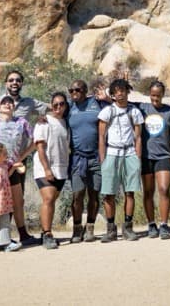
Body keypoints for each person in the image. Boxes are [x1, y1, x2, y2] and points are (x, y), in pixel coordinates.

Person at [97, 78, 144, 242]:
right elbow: (101, 137)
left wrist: (137, 158)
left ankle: (128, 227)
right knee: (108, 193)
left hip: (129, 152)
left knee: (129, 192)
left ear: (127, 91)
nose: (120, 94)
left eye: (122, 90)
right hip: (112, 152)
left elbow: (138, 138)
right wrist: (103, 160)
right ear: (113, 94)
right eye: (116, 91)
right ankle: (110, 229)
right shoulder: (107, 112)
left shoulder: (135, 112)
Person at [0, 95, 35, 245]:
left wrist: (21, 156)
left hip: (13, 167)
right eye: (4, 103)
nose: (8, 105)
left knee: (17, 201)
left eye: (10, 103)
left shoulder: (22, 123)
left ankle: (23, 234)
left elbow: (35, 140)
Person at [139, 80, 170, 239]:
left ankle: (163, 224)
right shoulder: (143, 108)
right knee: (148, 192)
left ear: (163, 95)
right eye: (152, 95)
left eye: (158, 96)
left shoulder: (169, 111)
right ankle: (151, 224)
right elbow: (123, 102)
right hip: (146, 156)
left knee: (164, 189)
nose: (155, 99)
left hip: (163, 156)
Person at [66, 79, 106, 244]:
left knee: (94, 194)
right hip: (77, 158)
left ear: (85, 90)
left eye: (78, 90)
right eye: (72, 90)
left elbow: (117, 106)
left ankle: (90, 227)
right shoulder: (68, 108)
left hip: (96, 157)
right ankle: (77, 228)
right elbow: (55, 112)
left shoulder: (96, 103)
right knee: (77, 195)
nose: (75, 93)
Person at [34, 91, 70, 250]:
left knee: (52, 200)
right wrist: (47, 169)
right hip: (45, 167)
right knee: (48, 198)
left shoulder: (65, 123)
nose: (58, 107)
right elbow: (40, 147)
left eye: (61, 104)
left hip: (61, 168)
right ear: (51, 105)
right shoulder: (44, 122)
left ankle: (44, 232)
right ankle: (47, 233)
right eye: (55, 104)